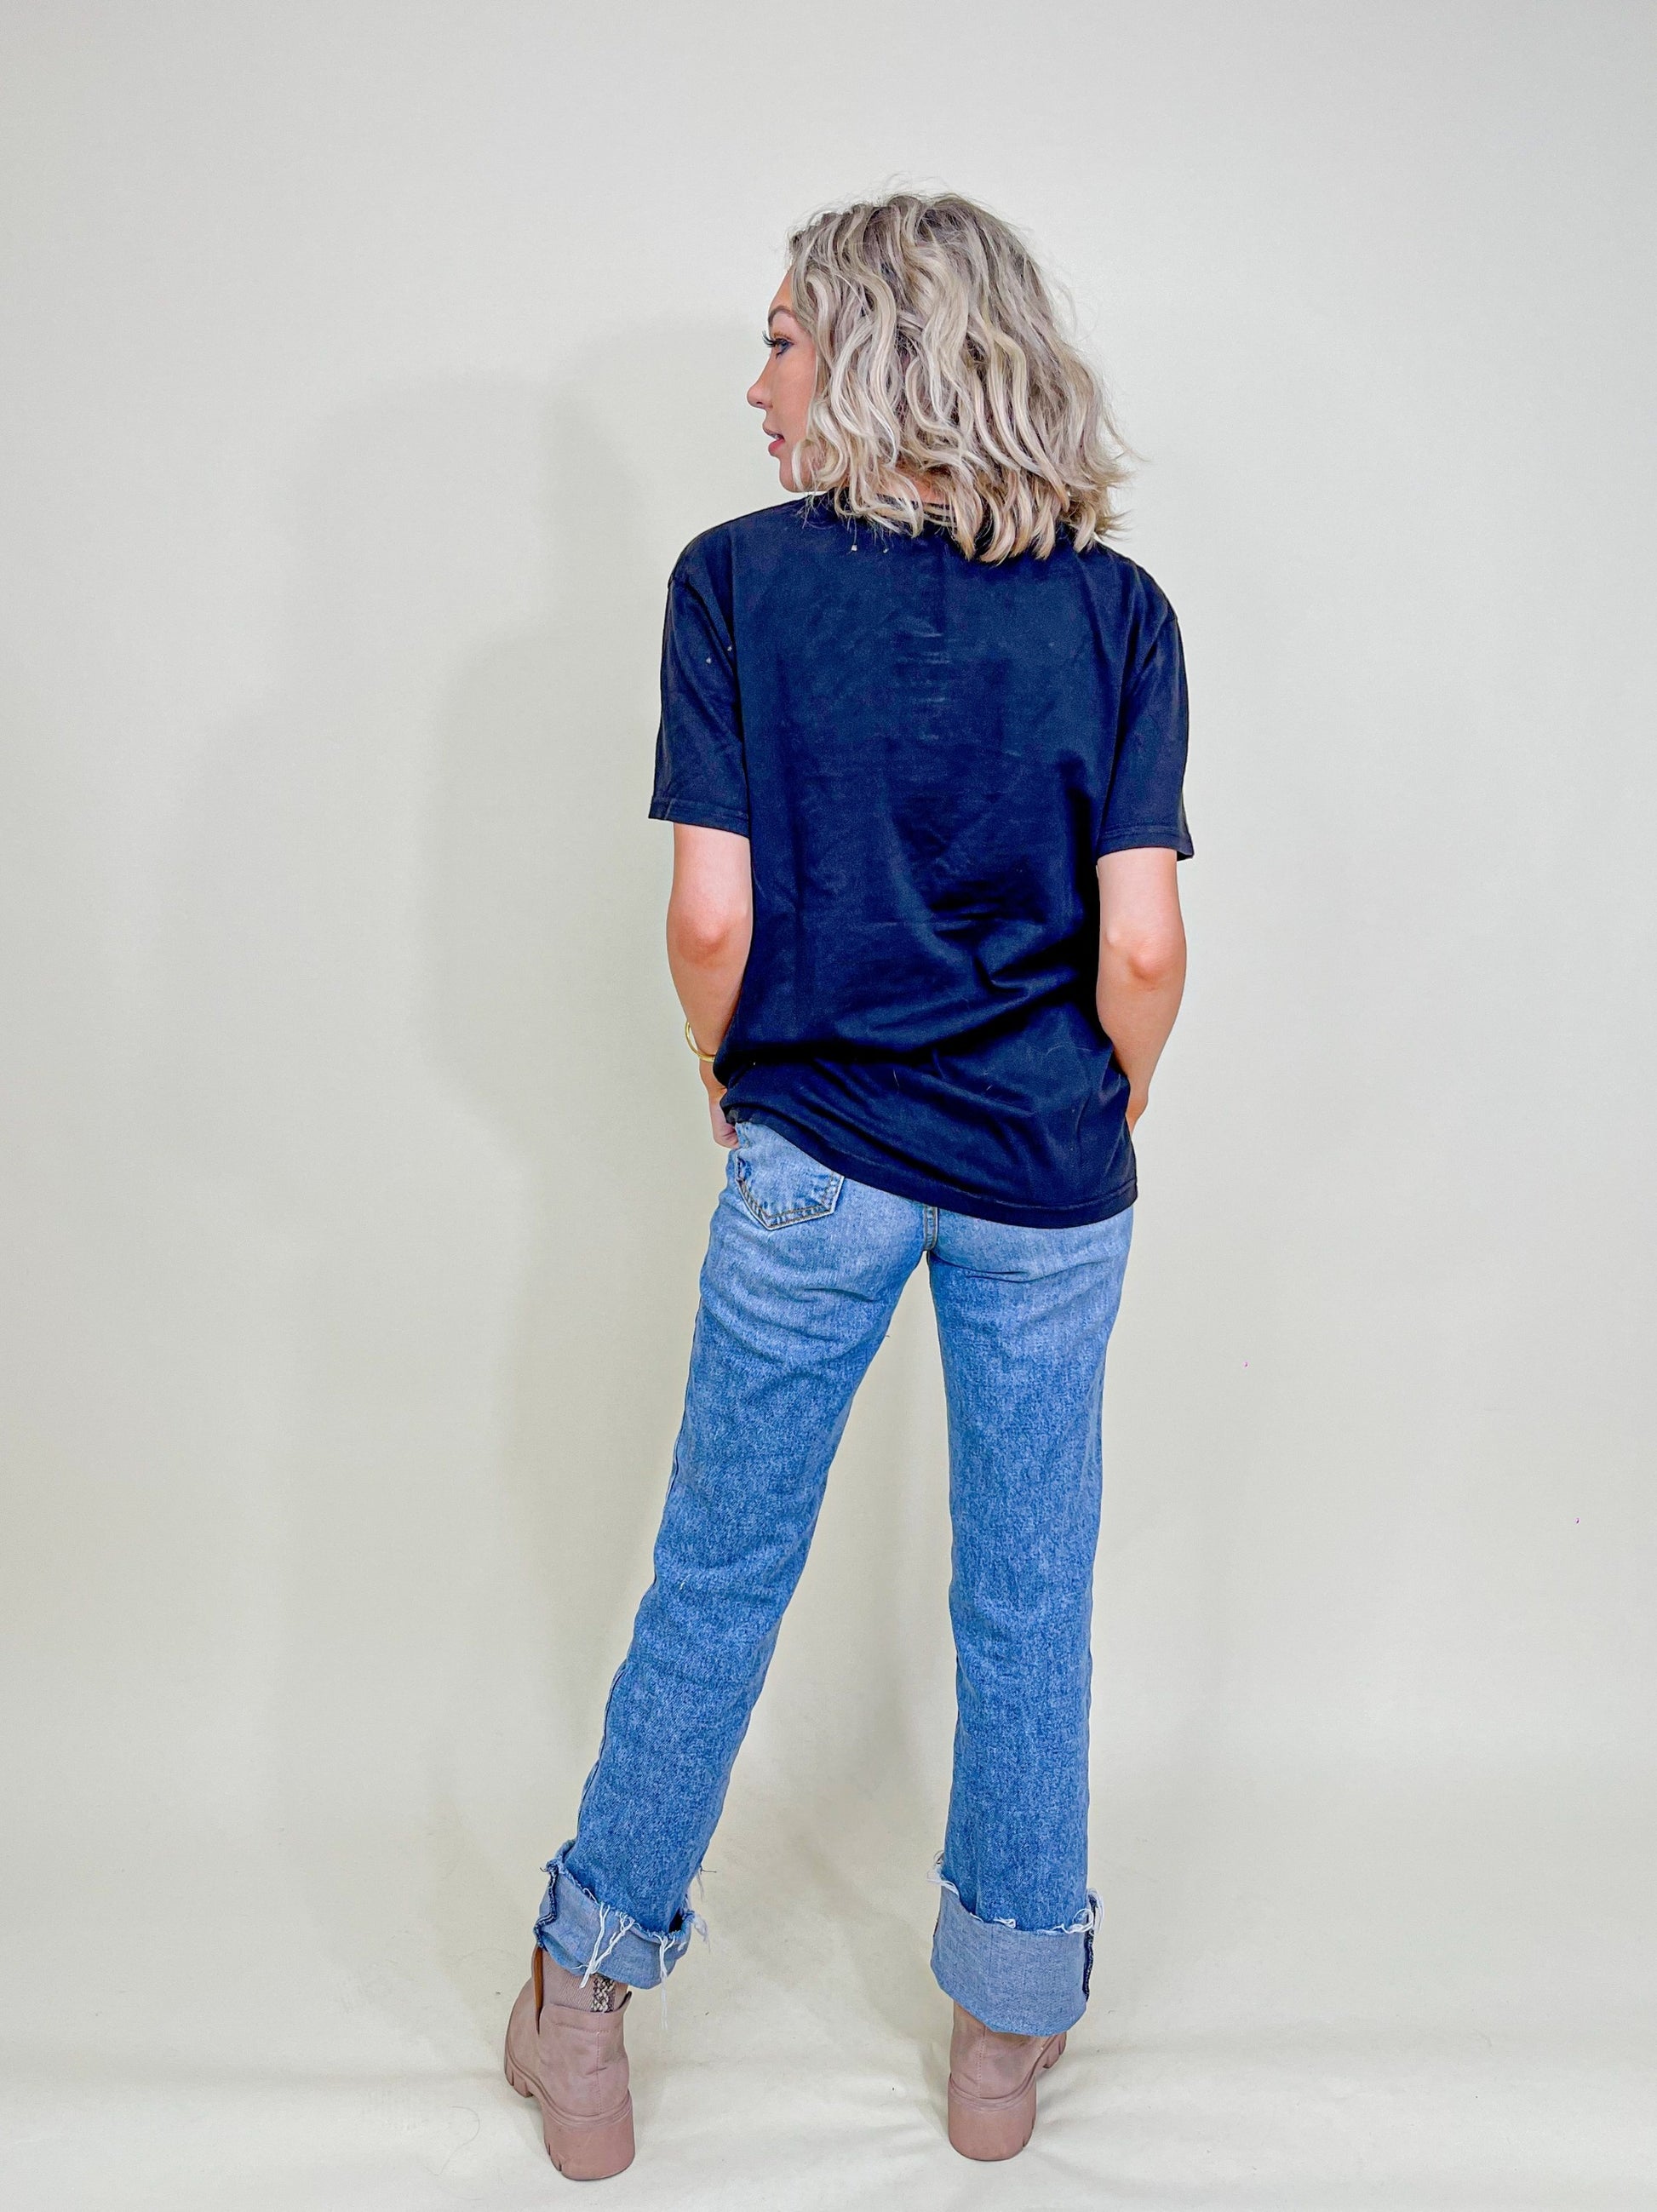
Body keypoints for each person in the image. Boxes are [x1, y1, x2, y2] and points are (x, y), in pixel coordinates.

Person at [503, 189, 1191, 2178]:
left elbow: (708, 918)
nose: (759, 382)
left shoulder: (732, 583)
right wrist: (1111, 1107)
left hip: (813, 1157)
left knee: (717, 1577)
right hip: (1048, 1173)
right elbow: (1142, 947)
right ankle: (1003, 2041)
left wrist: (725, 1078)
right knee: (1031, 1600)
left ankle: (584, 2006)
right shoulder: (1117, 614)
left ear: (881, 349)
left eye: (785, 339)